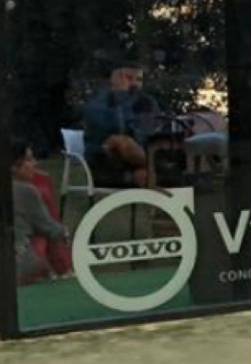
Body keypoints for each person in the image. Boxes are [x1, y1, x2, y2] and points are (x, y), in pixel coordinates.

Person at [80, 58, 161, 189]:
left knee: (144, 174)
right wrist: (122, 96)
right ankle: (158, 167)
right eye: (129, 78)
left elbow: (151, 131)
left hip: (139, 162)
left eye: (139, 80)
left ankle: (153, 168)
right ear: (113, 79)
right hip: (106, 163)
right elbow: (110, 129)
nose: (134, 83)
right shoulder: (98, 101)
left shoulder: (146, 102)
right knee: (121, 142)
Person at [13, 143, 70, 285]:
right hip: (18, 264)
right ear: (13, 166)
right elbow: (50, 229)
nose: (35, 163)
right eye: (29, 159)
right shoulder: (25, 191)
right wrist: (67, 233)